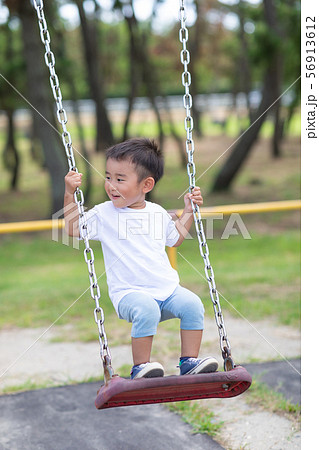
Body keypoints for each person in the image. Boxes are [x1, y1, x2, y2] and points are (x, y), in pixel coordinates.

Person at [64, 138, 218, 379]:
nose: (111, 185)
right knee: (146, 310)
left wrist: (188, 211)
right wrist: (69, 193)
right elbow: (73, 229)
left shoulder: (156, 212)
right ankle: (141, 368)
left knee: (193, 305)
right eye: (108, 177)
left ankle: (189, 362)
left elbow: (174, 238)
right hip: (129, 293)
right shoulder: (104, 213)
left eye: (120, 179)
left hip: (166, 290)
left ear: (146, 184)